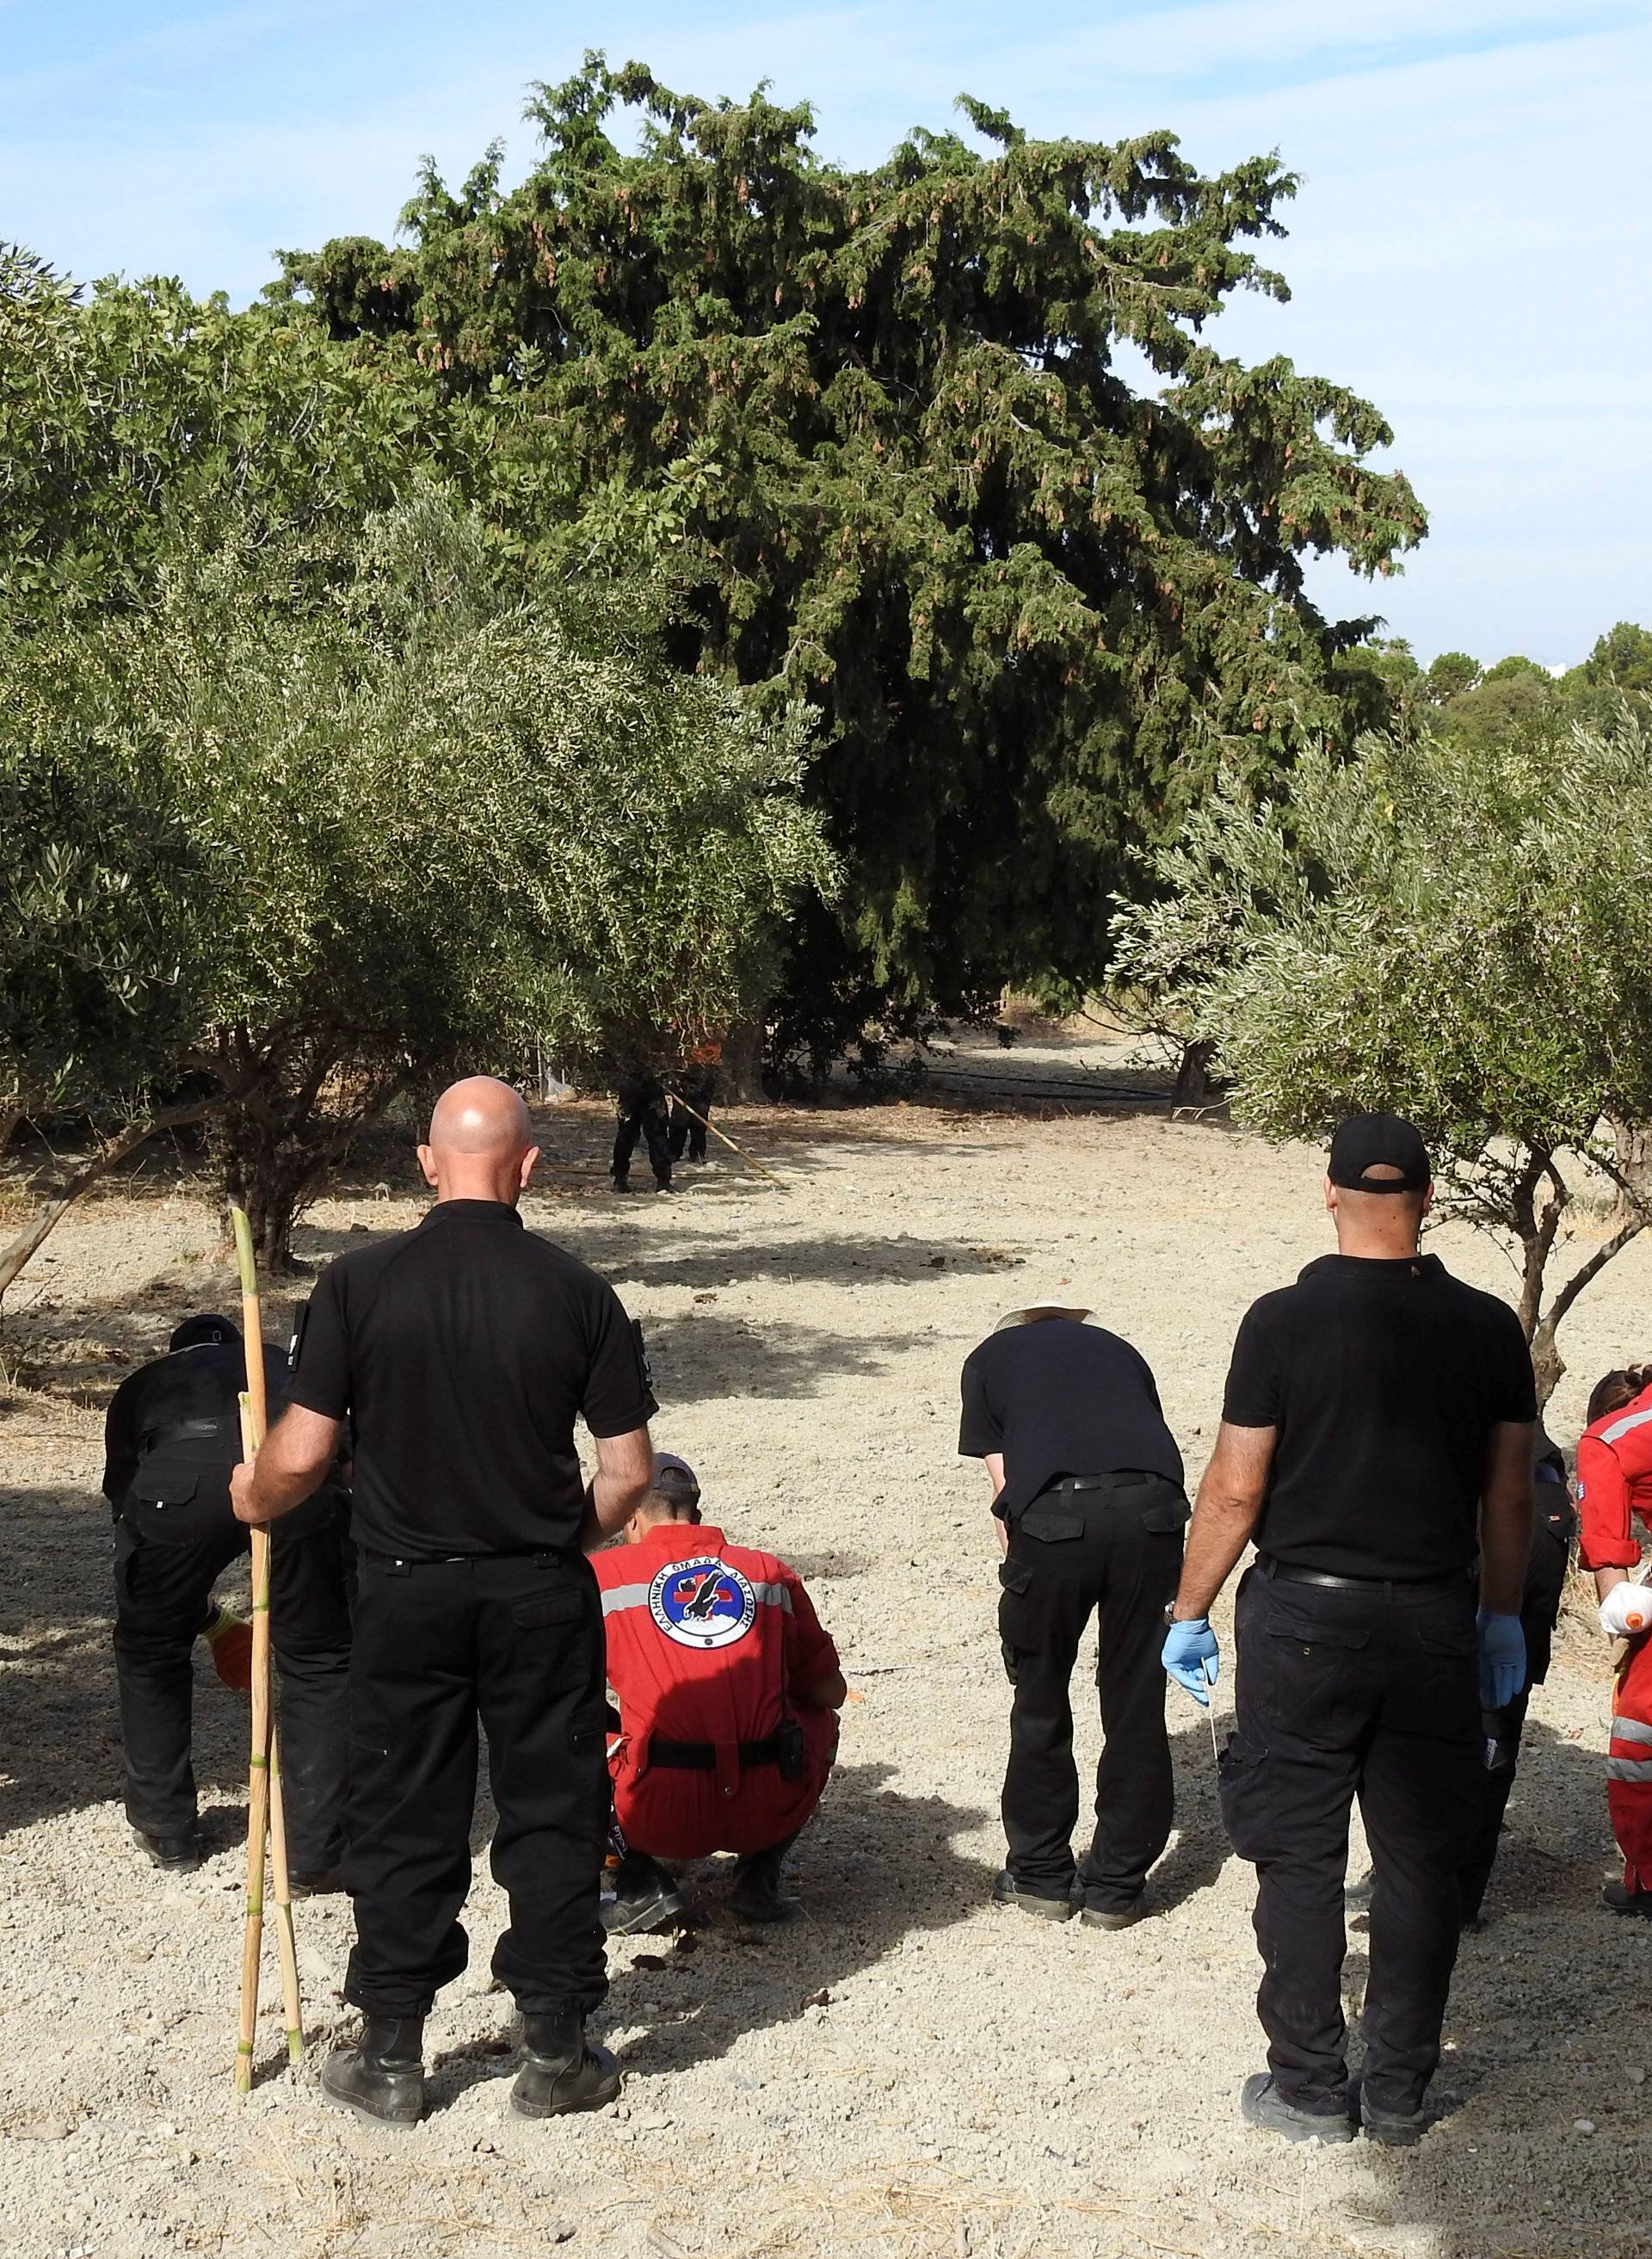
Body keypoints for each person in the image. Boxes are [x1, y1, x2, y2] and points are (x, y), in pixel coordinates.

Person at [231, 1077, 657, 2127]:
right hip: (539, 1593)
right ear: (527, 1169)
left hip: (405, 1591)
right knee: (555, 1810)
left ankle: (390, 2056)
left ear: (428, 1163)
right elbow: (631, 1473)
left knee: (404, 1811)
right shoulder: (577, 1291)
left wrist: (252, 1493)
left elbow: (304, 1452)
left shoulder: (359, 1283)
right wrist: (567, 1533)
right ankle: (555, 2051)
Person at [1162, 1113, 1535, 2148]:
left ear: (1328, 1193)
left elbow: (1237, 1488)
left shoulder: (1279, 1321)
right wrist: (1500, 1616)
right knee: (1420, 1859)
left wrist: (1186, 1612)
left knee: (1300, 1855)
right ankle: (1404, 2089)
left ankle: (1313, 2088)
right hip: (1432, 1614)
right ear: (1427, 1198)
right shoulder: (1489, 1327)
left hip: (1303, 1617)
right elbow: (1510, 1495)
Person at [958, 1291, 1191, 1929]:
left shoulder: (989, 1358)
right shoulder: (1121, 1351)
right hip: (1154, 1510)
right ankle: (1117, 1885)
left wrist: (1022, 1587)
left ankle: (1041, 1876)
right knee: (1137, 1695)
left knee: (1040, 1692)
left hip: (1056, 1514)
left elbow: (1006, 1489)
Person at [103, 1312, 351, 1881]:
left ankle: (167, 1829)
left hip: (177, 1484)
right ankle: (317, 1852)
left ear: (174, 1350)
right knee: (319, 1658)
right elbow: (338, 1449)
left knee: (150, 1648)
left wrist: (189, 1612)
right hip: (287, 1473)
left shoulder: (146, 1380)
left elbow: (128, 1511)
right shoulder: (276, 1359)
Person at [594, 1451, 844, 1931]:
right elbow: (830, 1692)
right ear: (698, 1515)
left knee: (566, 1732)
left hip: (654, 1812)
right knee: (819, 1721)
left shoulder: (603, 1580)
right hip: (764, 1804)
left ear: (631, 1521)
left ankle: (639, 1882)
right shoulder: (768, 1574)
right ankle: (758, 1876)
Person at [1458, 1423, 1575, 1925]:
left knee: (1447, 1707)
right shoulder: (1499, 1355)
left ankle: (1438, 1886)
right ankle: (1455, 1890)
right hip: (1541, 1502)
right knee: (1497, 1712)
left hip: (1489, 1503)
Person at [1575, 1361, 1652, 1915]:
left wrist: (1618, 1593)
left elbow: (1619, 1603)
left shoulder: (1613, 1436)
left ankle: (1646, 1880)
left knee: (1637, 1733)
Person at [612, 1066, 673, 1195]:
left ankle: (663, 1181)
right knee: (627, 1135)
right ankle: (620, 1179)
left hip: (649, 1088)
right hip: (631, 1088)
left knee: (657, 1134)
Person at [668, 1039, 722, 1166]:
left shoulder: (711, 1034)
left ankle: (698, 1153)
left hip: (706, 1072)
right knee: (679, 1118)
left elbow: (716, 1054)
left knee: (699, 1120)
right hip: (684, 1073)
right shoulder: (683, 1033)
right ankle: (674, 1152)